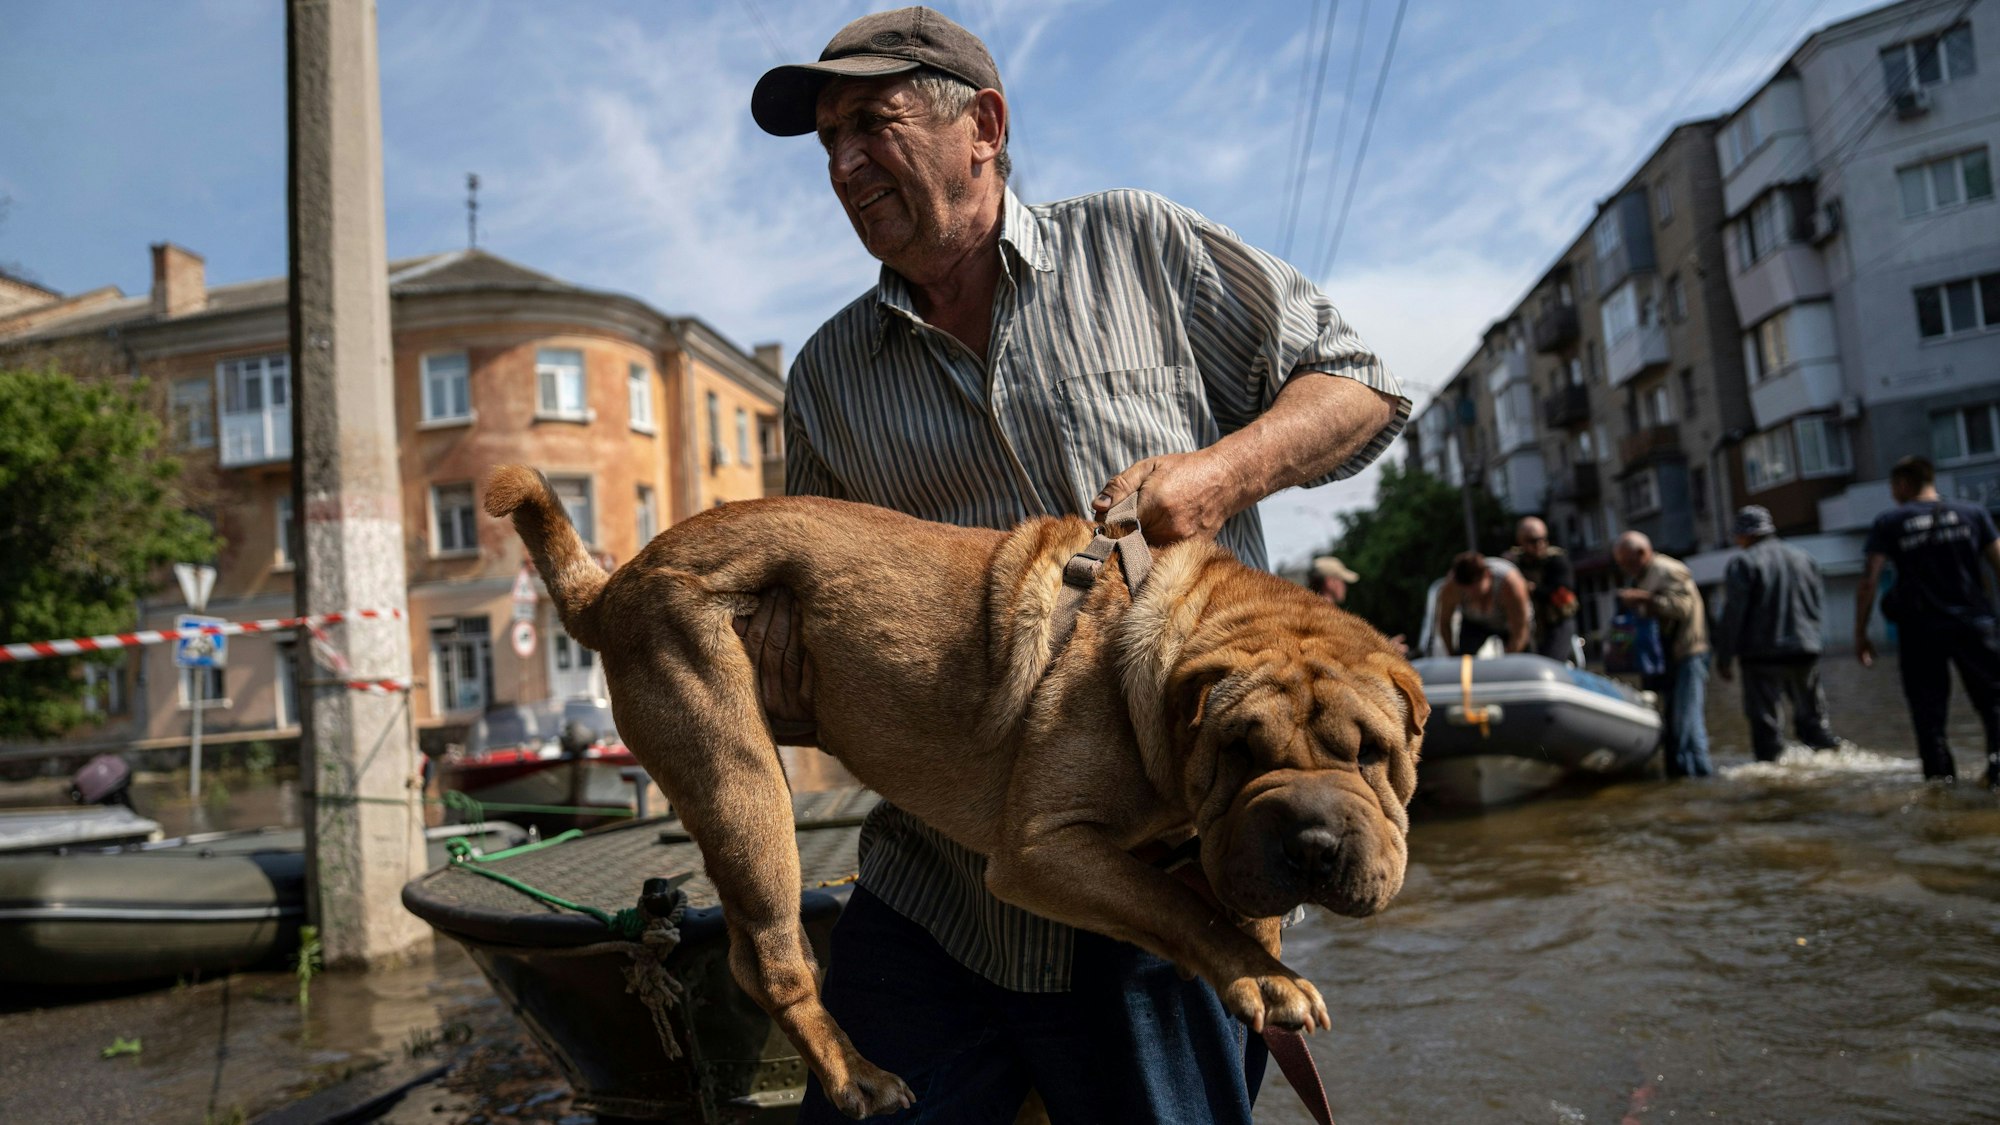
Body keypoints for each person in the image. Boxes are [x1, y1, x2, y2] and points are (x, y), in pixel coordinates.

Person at [742, 8, 1408, 1121]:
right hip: (934, 894)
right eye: (829, 142)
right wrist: (782, 686)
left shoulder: (1138, 243)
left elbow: (1359, 386)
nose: (844, 165)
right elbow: (811, 615)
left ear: (983, 126)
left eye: (871, 124)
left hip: (1167, 897)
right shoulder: (825, 378)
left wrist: (1218, 476)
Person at [1855, 456, 2000, 785]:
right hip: (1975, 625)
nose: (1892, 494)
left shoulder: (1890, 522)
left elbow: (1868, 581)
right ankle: (1997, 772)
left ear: (1903, 484)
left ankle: (1941, 787)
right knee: (1993, 703)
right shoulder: (1973, 513)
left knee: (1928, 715)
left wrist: (1860, 632)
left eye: (1893, 487)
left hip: (1921, 632)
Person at [1712, 505, 1841, 763]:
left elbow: (1733, 614)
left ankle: (1772, 772)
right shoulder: (1804, 558)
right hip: (1805, 649)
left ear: (1745, 534)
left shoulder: (1744, 563)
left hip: (1762, 655)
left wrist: (1724, 657)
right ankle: (1831, 761)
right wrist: (1812, 639)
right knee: (1813, 719)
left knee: (1766, 726)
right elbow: (1816, 604)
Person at [1614, 531, 1712, 778]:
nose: (1625, 568)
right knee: (1672, 724)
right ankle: (1680, 777)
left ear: (1641, 553)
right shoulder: (1643, 575)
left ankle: (1700, 776)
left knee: (1687, 722)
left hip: (1688, 654)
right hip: (1665, 660)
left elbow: (1683, 608)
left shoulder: (1668, 570)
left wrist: (1646, 599)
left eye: (1626, 562)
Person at [1505, 516, 1580, 662]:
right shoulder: (1515, 562)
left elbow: (1564, 594)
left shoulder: (1557, 560)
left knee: (1551, 663)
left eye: (1543, 539)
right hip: (1528, 624)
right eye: (1532, 541)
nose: (1539, 544)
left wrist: (1533, 590)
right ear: (1520, 541)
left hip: (1556, 622)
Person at [1433, 550, 1531, 656]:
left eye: (1476, 590)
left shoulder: (1510, 585)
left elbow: (1520, 629)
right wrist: (1452, 654)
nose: (1472, 595)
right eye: (1466, 591)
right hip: (1474, 623)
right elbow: (1444, 623)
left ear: (1487, 575)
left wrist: (1508, 659)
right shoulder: (1451, 588)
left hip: (1509, 623)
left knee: (1522, 657)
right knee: (1465, 658)